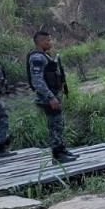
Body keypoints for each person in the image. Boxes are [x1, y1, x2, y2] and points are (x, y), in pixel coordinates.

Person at [27, 31, 77, 164]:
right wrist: (50, 97)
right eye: (48, 40)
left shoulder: (44, 56)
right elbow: (37, 81)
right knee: (54, 125)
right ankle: (57, 155)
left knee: (58, 124)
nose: (50, 43)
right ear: (40, 42)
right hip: (48, 97)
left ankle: (61, 149)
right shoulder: (37, 58)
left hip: (53, 94)